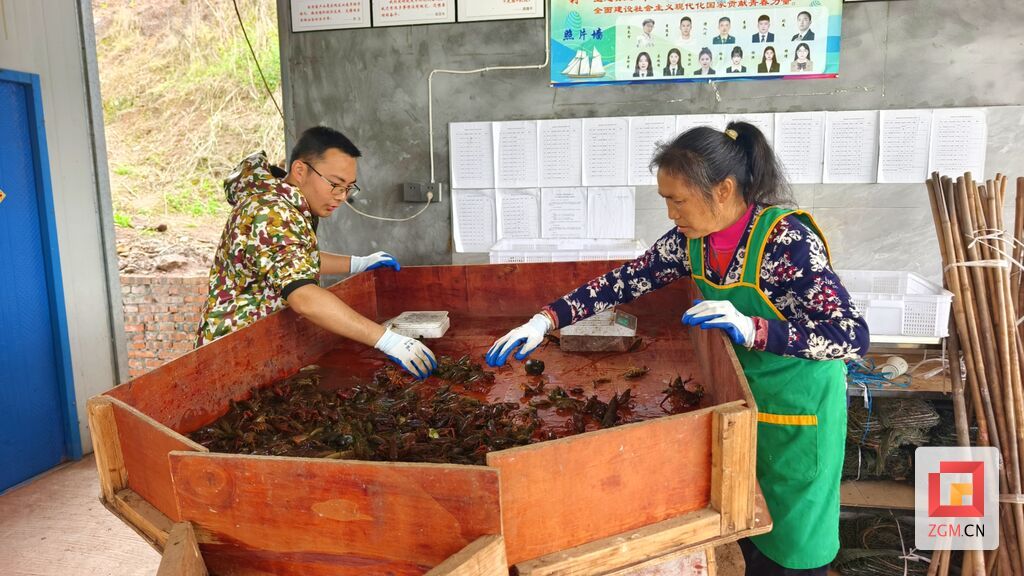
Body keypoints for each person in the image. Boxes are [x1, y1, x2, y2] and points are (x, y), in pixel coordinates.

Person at [485, 122, 868, 576]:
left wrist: (757, 329)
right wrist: (545, 319)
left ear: (723, 190)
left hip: (797, 413)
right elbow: (624, 281)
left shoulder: (786, 243)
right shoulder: (693, 243)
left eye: (677, 199)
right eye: (665, 200)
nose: (671, 213)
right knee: (743, 532)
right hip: (740, 407)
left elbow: (851, 335)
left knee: (792, 550)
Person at [196, 126, 437, 379]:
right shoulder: (271, 212)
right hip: (230, 353)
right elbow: (304, 297)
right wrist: (387, 340)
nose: (341, 196)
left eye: (349, 188)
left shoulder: (289, 204)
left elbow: (296, 261)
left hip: (258, 343)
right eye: (335, 185)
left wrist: (358, 263)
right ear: (300, 171)